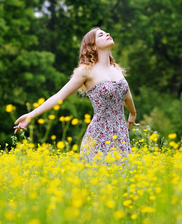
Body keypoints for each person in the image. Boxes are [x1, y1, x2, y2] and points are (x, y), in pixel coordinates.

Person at [14, 27, 139, 162]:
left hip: (121, 135)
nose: (107, 34)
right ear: (93, 46)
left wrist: (132, 113)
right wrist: (31, 114)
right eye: (101, 35)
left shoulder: (116, 70)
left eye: (106, 33)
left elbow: (127, 96)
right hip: (98, 136)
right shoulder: (86, 71)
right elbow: (59, 96)